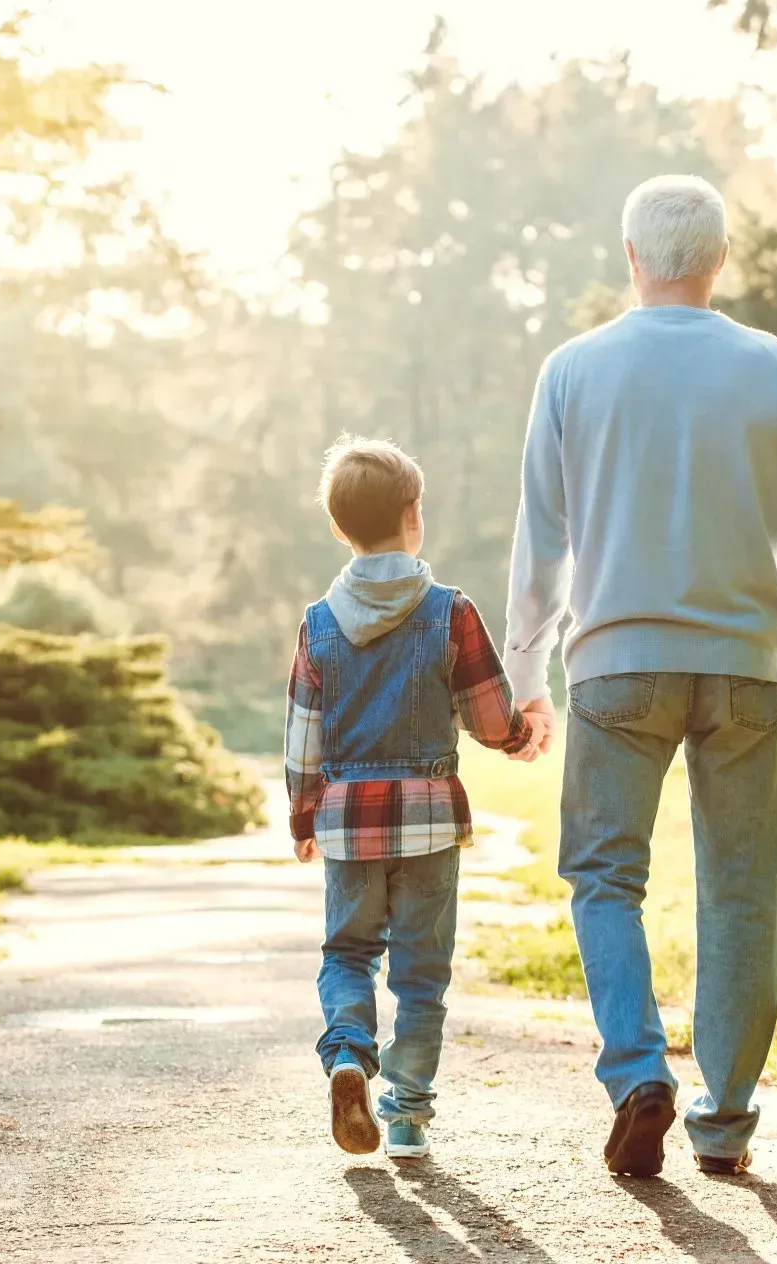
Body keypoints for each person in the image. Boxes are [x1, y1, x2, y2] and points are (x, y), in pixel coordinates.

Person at [503, 174, 777, 1179]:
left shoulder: (572, 370)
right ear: (719, 261)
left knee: (603, 876)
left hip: (615, 667)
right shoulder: (776, 368)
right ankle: (726, 1122)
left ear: (631, 258)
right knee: (742, 893)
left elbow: (542, 540)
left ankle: (635, 1071)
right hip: (748, 670)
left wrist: (524, 671)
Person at [285, 435, 541, 1160]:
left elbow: (302, 735)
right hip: (429, 824)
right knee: (422, 974)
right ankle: (405, 1115)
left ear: (339, 528)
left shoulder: (318, 623)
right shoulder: (449, 611)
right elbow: (490, 716)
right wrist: (524, 735)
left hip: (346, 824)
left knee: (348, 954)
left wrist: (304, 817)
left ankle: (347, 1054)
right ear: (414, 514)